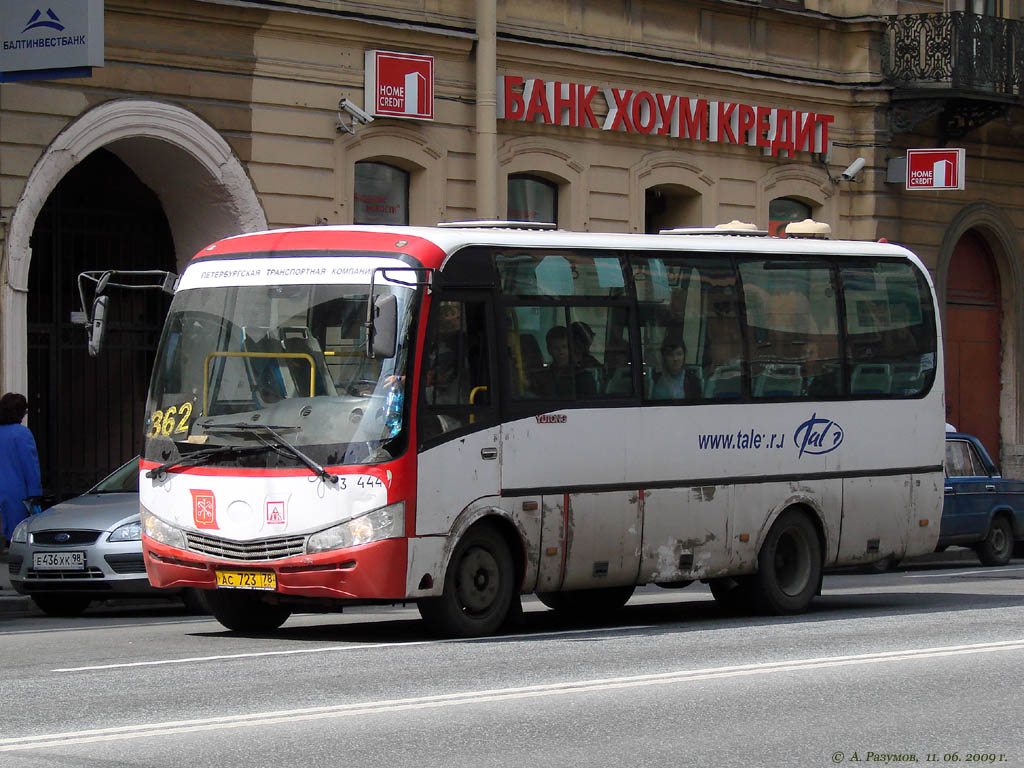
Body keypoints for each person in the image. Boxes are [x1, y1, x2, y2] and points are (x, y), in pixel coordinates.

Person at [0, 393, 42, 547]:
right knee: (17, 534)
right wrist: (35, 492)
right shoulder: (22, 433)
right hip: (16, 492)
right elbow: (30, 465)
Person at [535, 325, 598, 397]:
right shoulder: (543, 377)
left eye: (564, 347)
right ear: (549, 350)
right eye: (556, 348)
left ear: (571, 348)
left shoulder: (583, 377)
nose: (561, 351)